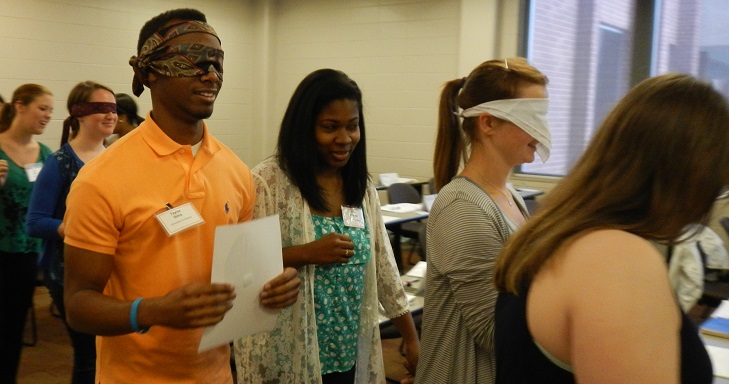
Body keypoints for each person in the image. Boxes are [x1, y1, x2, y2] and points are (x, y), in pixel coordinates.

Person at [62, 8, 300, 383]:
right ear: (151, 71)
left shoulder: (237, 172)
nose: (211, 75)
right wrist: (152, 311)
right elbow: (77, 304)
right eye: (192, 61)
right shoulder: (100, 180)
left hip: (217, 375)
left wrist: (271, 286)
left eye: (217, 63)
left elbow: (240, 277)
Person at [493, 73, 729, 383]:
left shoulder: (553, 233)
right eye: (714, 185)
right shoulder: (615, 258)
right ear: (688, 176)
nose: (706, 208)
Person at [233, 68, 421, 384]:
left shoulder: (360, 188)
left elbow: (384, 268)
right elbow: (241, 268)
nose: (344, 139)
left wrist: (412, 339)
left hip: (348, 351)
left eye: (353, 127)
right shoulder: (268, 183)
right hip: (291, 357)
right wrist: (305, 253)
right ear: (304, 128)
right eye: (330, 128)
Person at [413, 58, 549, 384]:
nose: (543, 131)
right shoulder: (464, 208)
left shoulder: (508, 194)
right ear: (488, 123)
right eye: (532, 117)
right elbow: (494, 332)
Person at [26, 80, 118, 383]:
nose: (110, 115)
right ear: (79, 113)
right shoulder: (60, 162)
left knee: (110, 353)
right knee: (89, 356)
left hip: (112, 271)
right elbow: (36, 221)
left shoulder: (117, 159)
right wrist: (73, 228)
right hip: (70, 273)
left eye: (113, 108)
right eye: (100, 108)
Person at [0, 83, 54, 383]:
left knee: (12, 330)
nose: (47, 116)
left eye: (50, 111)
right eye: (42, 108)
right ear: (20, 106)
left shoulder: (45, 155)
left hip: (27, 255)